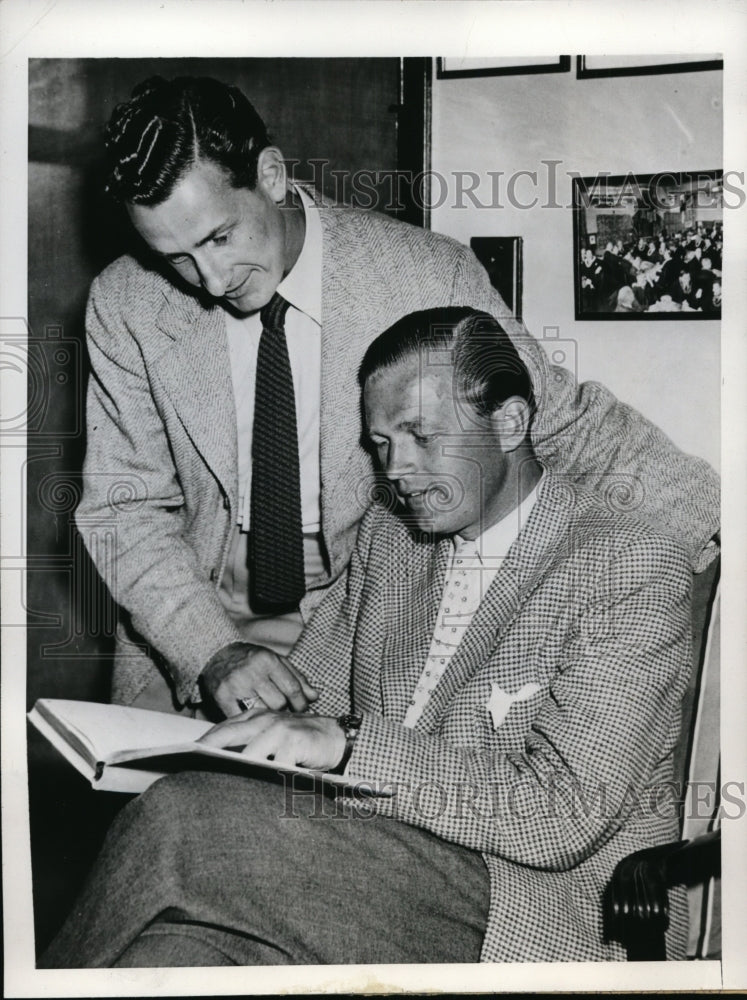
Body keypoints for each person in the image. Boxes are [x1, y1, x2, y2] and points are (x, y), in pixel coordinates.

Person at [42, 307, 692, 965]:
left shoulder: (625, 563)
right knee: (173, 949)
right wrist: (236, 719)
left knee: (183, 820)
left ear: (509, 422)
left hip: (535, 903)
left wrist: (347, 745)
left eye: (420, 436)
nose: (397, 471)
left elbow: (561, 815)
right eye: (381, 444)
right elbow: (310, 697)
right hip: (364, 859)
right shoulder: (394, 537)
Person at [77, 74, 719, 722]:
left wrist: (721, 531)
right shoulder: (125, 302)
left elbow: (555, 422)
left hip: (354, 618)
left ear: (270, 175)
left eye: (219, 238)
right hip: (189, 615)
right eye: (175, 259)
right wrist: (211, 651)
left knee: (312, 817)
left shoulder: (420, 274)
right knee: (163, 820)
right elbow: (122, 509)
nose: (210, 280)